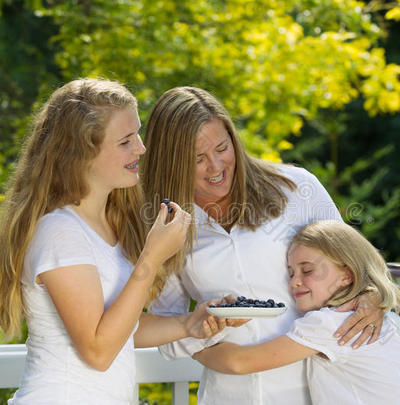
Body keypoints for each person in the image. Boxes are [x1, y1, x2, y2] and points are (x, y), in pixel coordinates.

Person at [0, 78, 228, 405]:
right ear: (81, 153)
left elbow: (119, 330)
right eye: (125, 141)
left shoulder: (107, 223)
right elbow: (98, 350)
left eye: (137, 134)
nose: (140, 148)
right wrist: (151, 259)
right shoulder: (60, 232)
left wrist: (189, 323)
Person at [140, 86, 385, 404]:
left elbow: (360, 271)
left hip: (317, 392)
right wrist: (201, 327)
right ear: (172, 163)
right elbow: (168, 335)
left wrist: (373, 297)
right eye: (198, 159)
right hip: (228, 395)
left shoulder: (297, 188)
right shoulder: (168, 226)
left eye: (222, 148)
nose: (215, 166)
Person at [193, 220, 400, 405]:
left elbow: (239, 363)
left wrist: (192, 344)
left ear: (347, 275)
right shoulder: (384, 317)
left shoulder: (331, 323)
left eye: (308, 270)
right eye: (291, 272)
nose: (294, 282)